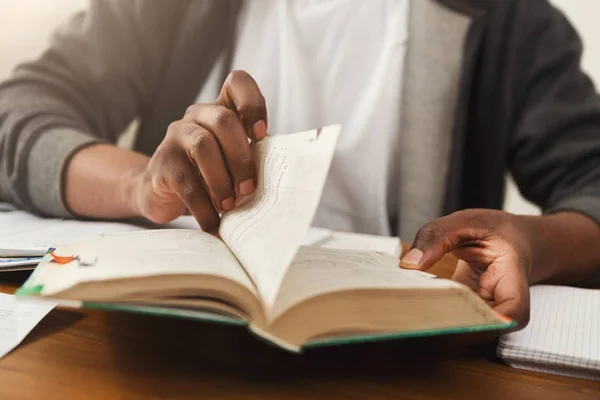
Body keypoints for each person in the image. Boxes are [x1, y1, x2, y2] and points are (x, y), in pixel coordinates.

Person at [0, 0, 599, 330]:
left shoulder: (511, 23)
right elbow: (17, 114)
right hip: (166, 327)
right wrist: (137, 187)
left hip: (393, 360)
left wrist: (531, 240)